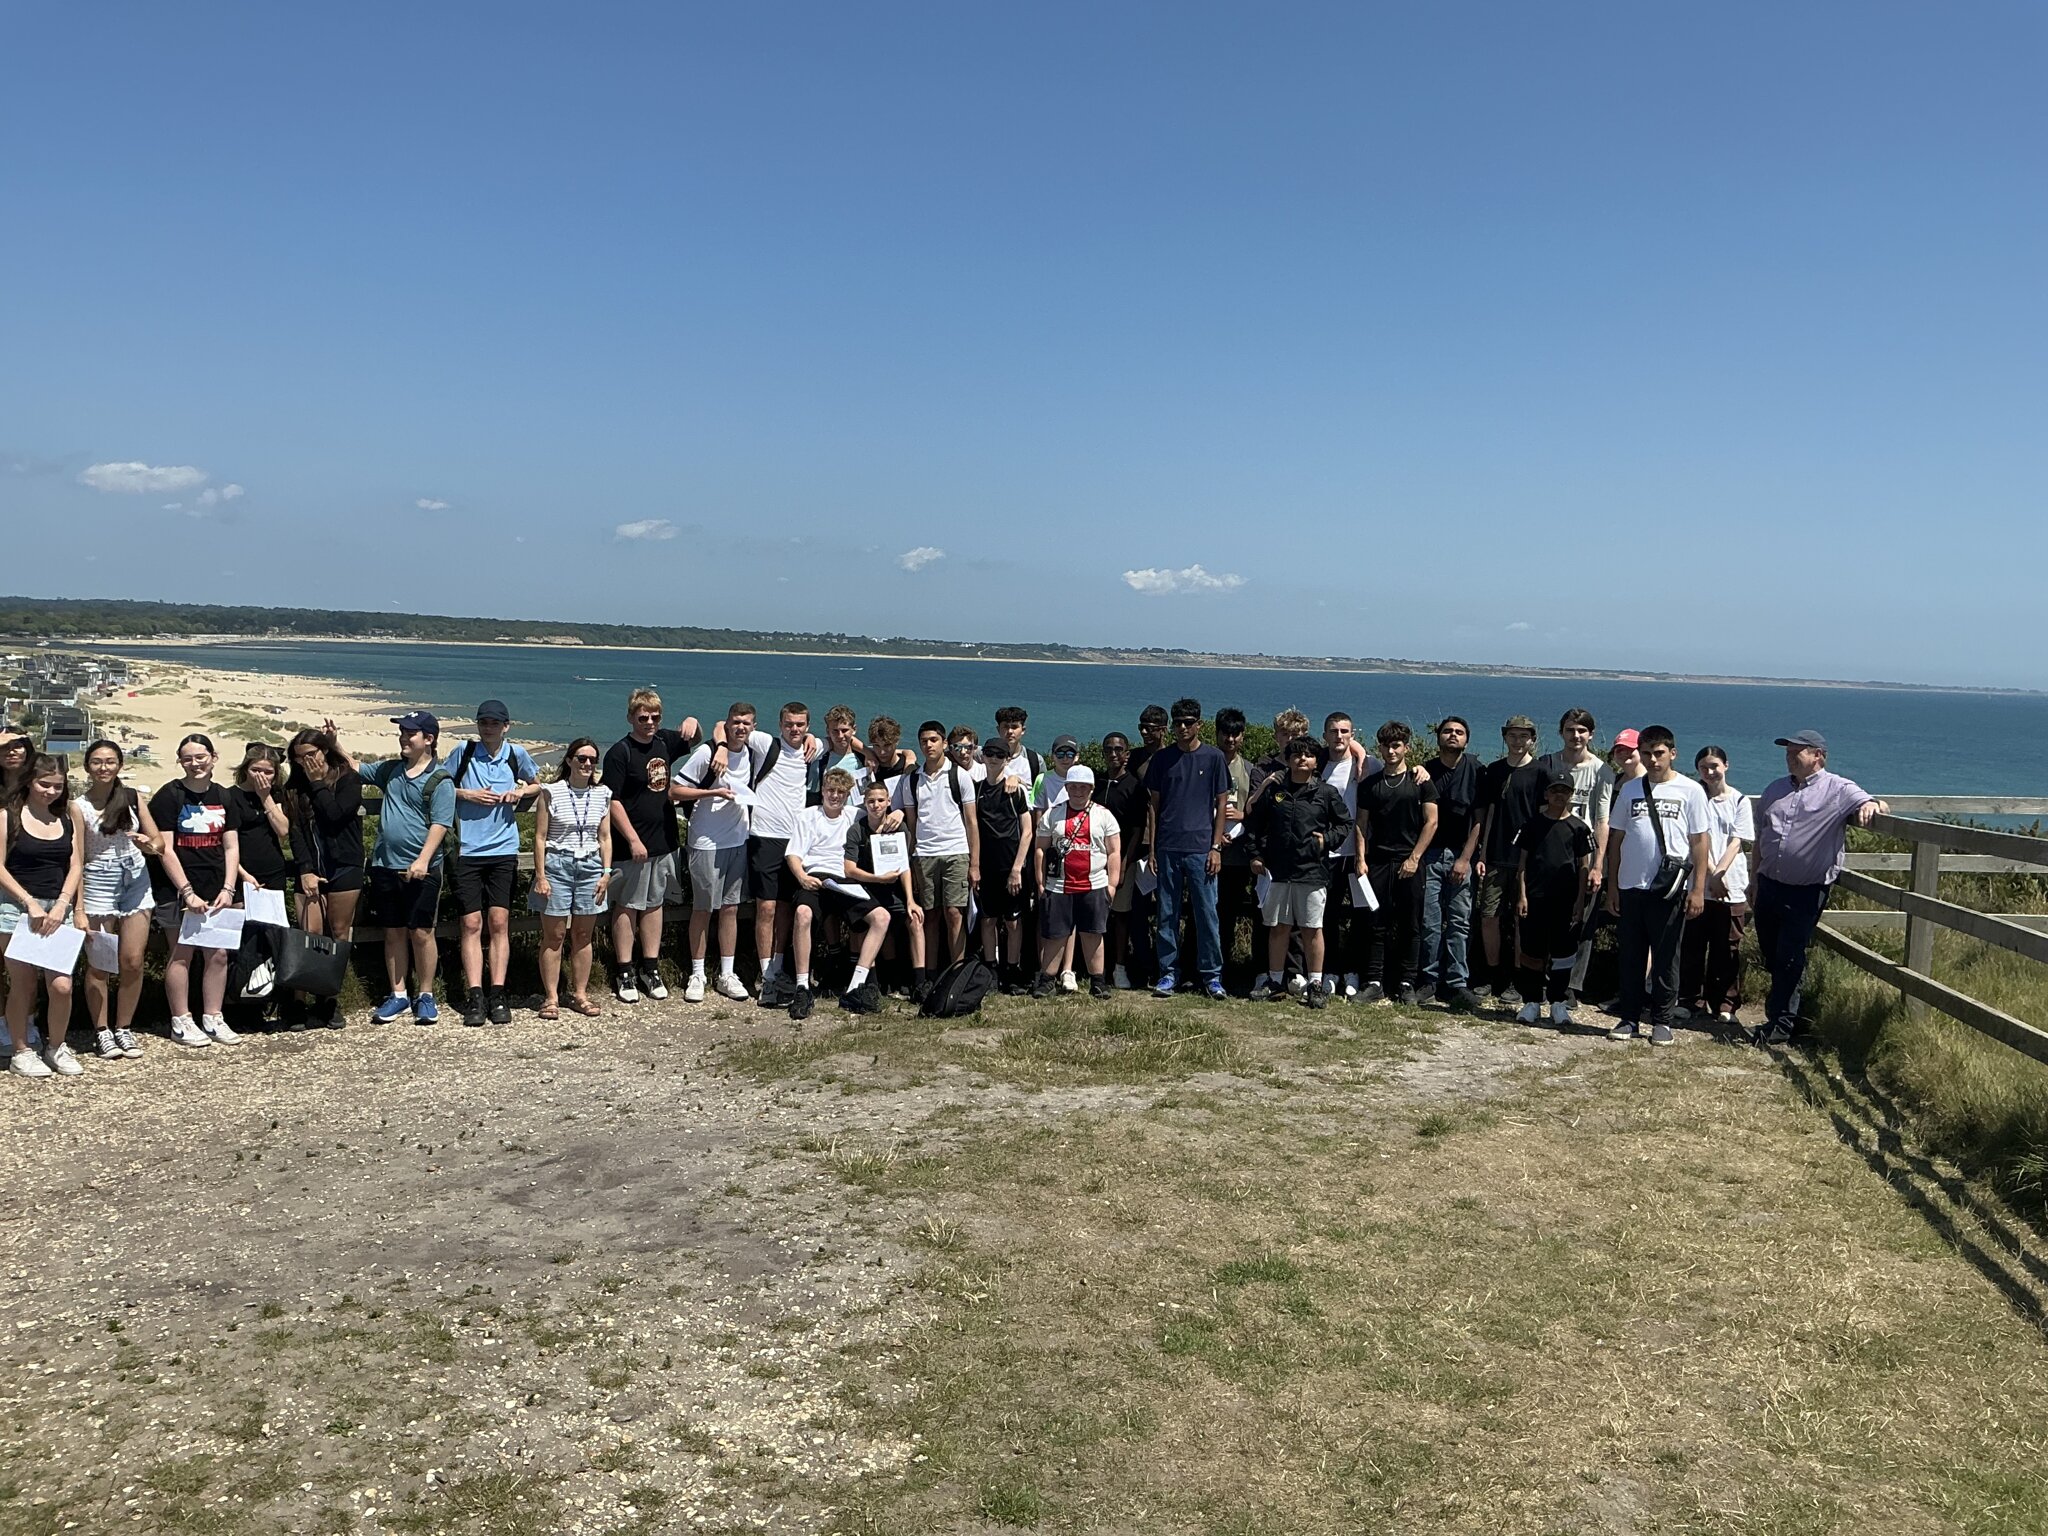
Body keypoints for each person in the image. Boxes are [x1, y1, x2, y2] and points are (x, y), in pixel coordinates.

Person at [1751, 730, 1887, 1047]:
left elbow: (1873, 803)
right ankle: (1787, 1015)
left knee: (1788, 954)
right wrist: (1754, 880)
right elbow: (1761, 837)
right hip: (1769, 884)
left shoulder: (1838, 789)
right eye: (1788, 751)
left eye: (1797, 751)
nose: (1789, 756)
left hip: (1806, 890)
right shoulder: (1775, 789)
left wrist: (1873, 804)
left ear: (1818, 756)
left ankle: (1781, 1024)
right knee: (1772, 954)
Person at [1601, 725, 1711, 1046]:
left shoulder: (1690, 791)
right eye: (1647, 753)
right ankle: (1630, 1018)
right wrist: (1612, 887)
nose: (1652, 759)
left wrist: (1698, 889)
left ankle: (1661, 1020)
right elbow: (1617, 838)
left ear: (1672, 754)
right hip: (1631, 887)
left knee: (1665, 957)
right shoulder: (1632, 789)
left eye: (1659, 753)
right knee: (1631, 956)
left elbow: (1700, 842)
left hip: (1669, 888)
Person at [600, 688, 701, 1005]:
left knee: (655, 903)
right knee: (627, 905)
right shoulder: (620, 752)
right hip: (631, 844)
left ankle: (651, 966)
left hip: (664, 839)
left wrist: (692, 721)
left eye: (655, 717)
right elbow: (612, 800)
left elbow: (695, 737)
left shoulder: (664, 741)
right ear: (631, 717)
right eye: (643, 717)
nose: (649, 722)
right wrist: (632, 839)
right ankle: (625, 969)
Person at [358, 712, 457, 1025]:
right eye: (402, 732)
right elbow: (355, 768)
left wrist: (423, 859)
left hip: (422, 868)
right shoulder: (390, 770)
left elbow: (440, 823)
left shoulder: (440, 779)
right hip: (386, 864)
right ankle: (398, 994)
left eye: (410, 733)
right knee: (393, 931)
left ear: (428, 739)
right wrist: (332, 743)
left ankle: (425, 995)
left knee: (421, 931)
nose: (403, 737)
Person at [447, 700, 541, 1026]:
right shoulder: (464, 750)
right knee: (471, 924)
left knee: (499, 922)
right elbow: (440, 786)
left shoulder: (515, 754)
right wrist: (468, 795)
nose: (487, 728)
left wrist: (520, 793)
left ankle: (498, 992)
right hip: (469, 851)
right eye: (483, 722)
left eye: (494, 723)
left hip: (503, 850)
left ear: (506, 726)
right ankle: (475, 995)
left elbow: (537, 783)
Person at [148, 733, 245, 1047]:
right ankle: (181, 1019)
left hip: (216, 886)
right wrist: (186, 891)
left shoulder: (224, 797)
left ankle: (213, 1016)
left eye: (200, 757)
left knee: (217, 954)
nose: (195, 764)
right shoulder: (169, 796)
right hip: (177, 889)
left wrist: (229, 888)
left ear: (213, 757)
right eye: (187, 758)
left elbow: (231, 847)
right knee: (181, 954)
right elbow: (165, 849)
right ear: (180, 762)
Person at [1245, 733, 1353, 1008]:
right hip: (1278, 872)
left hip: (1312, 872)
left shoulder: (1325, 793)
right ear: (1289, 760)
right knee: (1278, 928)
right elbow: (1255, 825)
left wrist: (1325, 841)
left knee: (1312, 929)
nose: (1301, 758)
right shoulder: (1274, 791)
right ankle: (1275, 982)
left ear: (1316, 760)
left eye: (1307, 754)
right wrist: (1256, 855)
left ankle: (1315, 984)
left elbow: (1345, 824)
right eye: (1295, 754)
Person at [1, 754, 88, 1078]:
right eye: (44, 784)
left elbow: (77, 863)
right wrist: (29, 904)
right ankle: (21, 1050)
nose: (50, 791)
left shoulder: (66, 816)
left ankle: (57, 1045)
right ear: (29, 782)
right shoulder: (7, 816)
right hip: (16, 909)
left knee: (62, 985)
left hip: (58, 907)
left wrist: (64, 903)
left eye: (57, 786)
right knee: (23, 985)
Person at [77, 740, 160, 1060]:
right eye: (97, 762)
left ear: (119, 765)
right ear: (87, 767)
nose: (103, 767)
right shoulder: (79, 806)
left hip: (136, 882)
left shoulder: (131, 798)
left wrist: (146, 845)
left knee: (132, 961)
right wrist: (79, 905)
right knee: (100, 963)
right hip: (98, 883)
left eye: (110, 761)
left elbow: (158, 843)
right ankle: (102, 1031)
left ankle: (123, 1027)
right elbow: (78, 858)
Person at [734, 702, 821, 1009]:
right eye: (789, 724)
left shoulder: (815, 747)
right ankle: (766, 977)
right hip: (764, 836)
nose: (794, 729)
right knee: (766, 908)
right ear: (780, 724)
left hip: (795, 840)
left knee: (786, 907)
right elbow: (729, 726)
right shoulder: (765, 743)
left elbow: (842, 741)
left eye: (800, 725)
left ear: (807, 726)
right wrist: (719, 747)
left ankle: (779, 966)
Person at [1144, 698, 1229, 999]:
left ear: (1199, 725)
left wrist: (1216, 847)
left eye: (1188, 722)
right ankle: (1168, 973)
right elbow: (1153, 806)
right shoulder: (1162, 759)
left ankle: (1211, 976)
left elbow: (1222, 804)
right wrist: (1153, 849)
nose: (1182, 727)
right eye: (1178, 722)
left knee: (1207, 914)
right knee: (1167, 913)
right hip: (1168, 847)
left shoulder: (1214, 757)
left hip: (1201, 848)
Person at [674, 703, 760, 1002]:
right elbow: (675, 790)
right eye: (736, 722)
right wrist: (711, 792)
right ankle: (697, 973)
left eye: (746, 723)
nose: (741, 728)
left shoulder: (753, 752)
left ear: (753, 726)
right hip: (706, 842)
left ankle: (727, 972)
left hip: (737, 841)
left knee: (731, 908)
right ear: (727, 723)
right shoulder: (706, 754)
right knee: (702, 908)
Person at [783, 766, 877, 1020]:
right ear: (822, 791)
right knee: (803, 914)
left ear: (847, 795)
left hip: (845, 879)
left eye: (840, 792)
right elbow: (793, 853)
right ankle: (802, 986)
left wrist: (897, 812)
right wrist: (802, 877)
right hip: (814, 876)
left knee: (881, 918)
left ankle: (857, 985)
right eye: (830, 790)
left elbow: (880, 810)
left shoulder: (855, 815)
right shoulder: (807, 816)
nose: (835, 796)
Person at [285, 726, 364, 1029]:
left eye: (311, 755)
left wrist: (318, 784)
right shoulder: (294, 786)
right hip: (311, 869)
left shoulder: (348, 780)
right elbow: (296, 832)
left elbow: (336, 817)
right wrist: (305, 869)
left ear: (325, 751)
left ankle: (329, 998)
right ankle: (297, 1000)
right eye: (299, 758)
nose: (307, 762)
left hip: (346, 865)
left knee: (339, 932)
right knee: (310, 933)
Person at [1532, 710, 1612, 1002]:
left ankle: (1570, 987)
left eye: (1581, 730)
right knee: (1543, 921)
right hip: (1548, 852)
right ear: (1561, 732)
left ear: (1590, 734)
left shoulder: (1602, 770)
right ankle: (1540, 983)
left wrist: (1598, 865)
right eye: (1569, 730)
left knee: (1579, 923)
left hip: (1583, 854)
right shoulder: (1548, 764)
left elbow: (1603, 819)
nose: (1575, 736)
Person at [1355, 722, 1438, 1005]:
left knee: (1410, 924)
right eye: (1386, 746)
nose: (1391, 751)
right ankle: (1374, 981)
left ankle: (1406, 982)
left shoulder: (1421, 782)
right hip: (1377, 862)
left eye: (1396, 746)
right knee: (1375, 922)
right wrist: (1361, 859)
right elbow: (1361, 825)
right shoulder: (1370, 785)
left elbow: (1432, 822)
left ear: (1406, 748)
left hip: (1409, 862)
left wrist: (1414, 858)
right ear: (1379, 748)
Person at [532, 736, 613, 1021]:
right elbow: (540, 837)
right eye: (582, 758)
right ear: (569, 761)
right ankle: (551, 997)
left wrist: (606, 873)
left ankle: (580, 994)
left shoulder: (604, 794)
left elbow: (605, 837)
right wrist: (540, 876)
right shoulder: (550, 792)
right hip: (558, 865)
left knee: (583, 935)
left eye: (592, 759)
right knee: (554, 935)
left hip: (591, 866)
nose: (587, 764)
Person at [893, 720, 980, 975]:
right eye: (923, 741)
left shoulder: (960, 776)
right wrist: (910, 859)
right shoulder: (911, 781)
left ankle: (957, 972)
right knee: (929, 916)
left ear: (944, 743)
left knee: (954, 913)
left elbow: (971, 822)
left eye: (933, 740)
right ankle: (929, 974)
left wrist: (975, 864)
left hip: (956, 852)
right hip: (924, 855)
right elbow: (911, 822)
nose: (928, 745)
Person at [1511, 773, 1596, 1028]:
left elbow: (1584, 866)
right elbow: (1522, 863)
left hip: (1566, 901)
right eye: (1555, 790)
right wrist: (1522, 895)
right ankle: (1532, 1001)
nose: (1559, 795)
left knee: (1564, 953)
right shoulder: (1532, 824)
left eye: (1565, 791)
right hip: (1535, 898)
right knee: (1531, 952)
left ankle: (1558, 1002)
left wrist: (1580, 900)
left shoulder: (1579, 827)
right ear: (1547, 794)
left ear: (1571, 795)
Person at [1680, 745, 1755, 1030]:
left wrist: (1720, 872)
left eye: (1714, 766)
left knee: (1728, 946)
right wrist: (1710, 874)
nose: (1710, 772)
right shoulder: (1694, 797)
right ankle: (1690, 1000)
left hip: (1731, 885)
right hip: (1700, 883)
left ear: (1726, 765)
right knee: (1693, 945)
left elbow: (1738, 841)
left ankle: (1725, 1003)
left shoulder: (1739, 800)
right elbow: (1693, 837)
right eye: (1703, 767)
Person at [1030, 765, 1120, 999]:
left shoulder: (1103, 815)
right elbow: (1040, 848)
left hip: (1094, 883)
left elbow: (1113, 851)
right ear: (1066, 788)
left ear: (1091, 789)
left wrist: (1112, 883)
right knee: (1055, 935)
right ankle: (1047, 979)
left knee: (1093, 933)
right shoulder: (1053, 813)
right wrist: (1040, 882)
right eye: (1073, 787)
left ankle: (1098, 981)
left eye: (1083, 787)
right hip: (1058, 885)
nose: (1078, 791)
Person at [842, 778, 927, 1012]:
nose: (876, 805)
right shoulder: (856, 830)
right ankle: (870, 983)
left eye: (880, 800)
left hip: (894, 891)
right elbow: (849, 869)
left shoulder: (898, 828)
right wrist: (877, 879)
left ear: (889, 802)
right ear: (864, 803)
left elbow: (905, 866)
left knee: (915, 920)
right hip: (867, 891)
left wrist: (910, 900)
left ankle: (920, 982)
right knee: (866, 925)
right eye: (871, 801)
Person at [1418, 717, 1485, 1011]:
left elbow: (1479, 819)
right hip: (1430, 855)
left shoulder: (1477, 771)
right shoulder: (1425, 772)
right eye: (1447, 731)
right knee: (1429, 922)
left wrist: (1465, 859)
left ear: (1467, 740)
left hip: (1461, 855)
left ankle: (1457, 983)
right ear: (1438, 738)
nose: (1453, 736)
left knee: (1460, 921)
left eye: (1459, 732)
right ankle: (1427, 980)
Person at [1474, 715, 1540, 1004]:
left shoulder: (1541, 773)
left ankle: (1517, 978)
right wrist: (1483, 853)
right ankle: (1492, 974)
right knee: (1489, 916)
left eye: (1523, 736)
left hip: (1526, 859)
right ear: (1505, 738)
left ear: (1532, 739)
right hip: (1497, 857)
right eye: (1512, 735)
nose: (1517, 741)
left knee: (1521, 920)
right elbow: (1488, 815)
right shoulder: (1494, 771)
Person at [227, 742, 292, 1029]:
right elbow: (225, 843)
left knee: (270, 939)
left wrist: (266, 797)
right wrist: (241, 874)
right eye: (256, 770)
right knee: (242, 941)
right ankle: (237, 1004)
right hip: (242, 874)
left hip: (273, 873)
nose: (261, 776)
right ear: (245, 768)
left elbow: (283, 831)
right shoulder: (230, 796)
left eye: (268, 772)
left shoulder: (274, 795)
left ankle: (266, 1000)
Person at [1213, 708, 1268, 994]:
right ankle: (1213, 970)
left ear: (1243, 737)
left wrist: (1242, 817)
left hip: (1240, 856)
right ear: (1217, 734)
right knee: (1212, 914)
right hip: (1212, 851)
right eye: (1225, 733)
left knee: (1241, 912)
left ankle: (1240, 969)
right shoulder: (1207, 762)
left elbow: (1256, 810)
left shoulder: (1249, 769)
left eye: (1236, 734)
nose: (1230, 739)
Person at [975, 738, 1036, 993]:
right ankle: (990, 970)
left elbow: (1027, 832)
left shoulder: (1015, 791)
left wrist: (1016, 869)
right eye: (989, 753)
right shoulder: (976, 790)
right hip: (986, 867)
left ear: (1007, 759)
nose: (993, 758)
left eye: (999, 755)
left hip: (1011, 867)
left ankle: (1012, 970)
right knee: (988, 920)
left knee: (1013, 922)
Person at [1095, 731, 1152, 990]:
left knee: (1120, 915)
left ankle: (1119, 967)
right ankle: (1096, 967)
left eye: (1119, 750)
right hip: (1094, 861)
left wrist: (1125, 864)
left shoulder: (1135, 786)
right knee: (1096, 914)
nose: (1114, 754)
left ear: (1127, 754)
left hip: (1124, 862)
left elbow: (1138, 830)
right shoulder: (1096, 782)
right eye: (1109, 750)